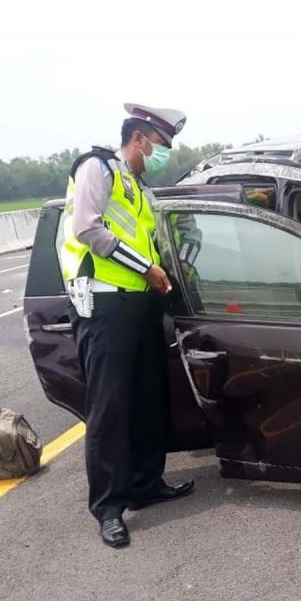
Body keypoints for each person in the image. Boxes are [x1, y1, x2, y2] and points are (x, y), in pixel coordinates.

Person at [59, 103, 194, 548]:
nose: (163, 153)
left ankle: (146, 483)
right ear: (139, 138)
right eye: (160, 145)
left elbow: (153, 238)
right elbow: (87, 229)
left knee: (148, 399)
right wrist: (146, 270)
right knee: (110, 410)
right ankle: (110, 508)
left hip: (139, 305)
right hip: (103, 305)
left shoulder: (138, 186)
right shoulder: (97, 169)